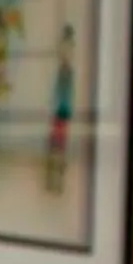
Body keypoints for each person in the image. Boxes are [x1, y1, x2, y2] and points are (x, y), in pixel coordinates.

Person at [43, 23, 78, 195]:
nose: (65, 53)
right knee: (55, 146)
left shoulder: (67, 71)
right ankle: (52, 182)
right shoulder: (63, 71)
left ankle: (56, 183)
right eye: (63, 49)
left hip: (62, 112)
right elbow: (59, 93)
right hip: (59, 112)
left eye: (68, 50)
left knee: (58, 147)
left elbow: (64, 94)